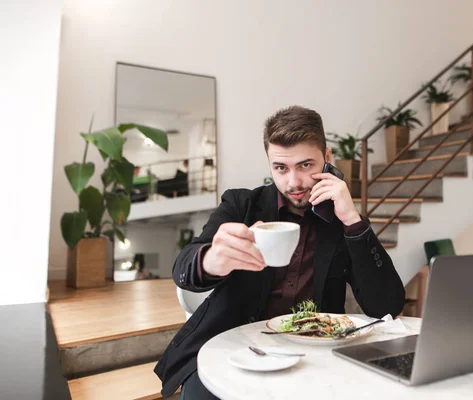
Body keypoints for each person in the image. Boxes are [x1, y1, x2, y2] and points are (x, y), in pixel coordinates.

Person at [154, 106, 405, 399]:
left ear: (328, 159)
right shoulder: (241, 205)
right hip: (233, 348)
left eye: (305, 165)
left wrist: (352, 220)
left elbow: (386, 306)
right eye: (281, 168)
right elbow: (183, 268)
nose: (293, 183)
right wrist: (210, 260)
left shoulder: (342, 222)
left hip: (313, 356)